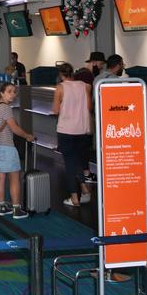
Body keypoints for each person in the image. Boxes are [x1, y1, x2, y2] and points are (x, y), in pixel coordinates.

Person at [0, 83, 34, 219]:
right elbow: (14, 128)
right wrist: (27, 136)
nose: (13, 94)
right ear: (2, 93)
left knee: (0, 177)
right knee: (14, 178)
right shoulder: (6, 108)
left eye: (14, 92)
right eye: (9, 91)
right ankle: (16, 209)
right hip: (6, 146)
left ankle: (2, 206)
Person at [52, 63, 94, 207]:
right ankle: (83, 186)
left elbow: (56, 110)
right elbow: (89, 107)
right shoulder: (84, 86)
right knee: (76, 160)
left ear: (60, 75)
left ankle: (74, 198)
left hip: (66, 130)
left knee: (70, 163)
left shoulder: (60, 88)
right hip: (81, 130)